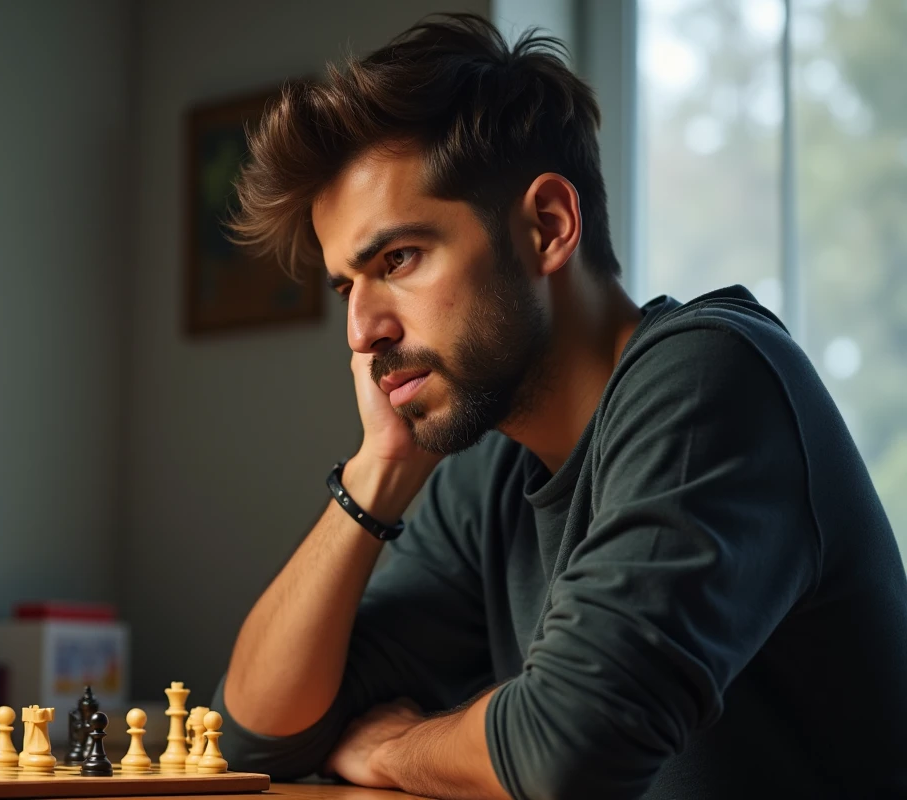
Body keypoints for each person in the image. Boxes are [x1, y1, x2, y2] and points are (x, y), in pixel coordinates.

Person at [209, 13, 907, 800]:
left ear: (547, 227)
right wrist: (378, 470)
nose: (362, 332)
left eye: (397, 259)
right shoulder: (493, 472)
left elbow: (568, 747)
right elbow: (254, 736)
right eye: (347, 287)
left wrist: (397, 751)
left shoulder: (715, 379)